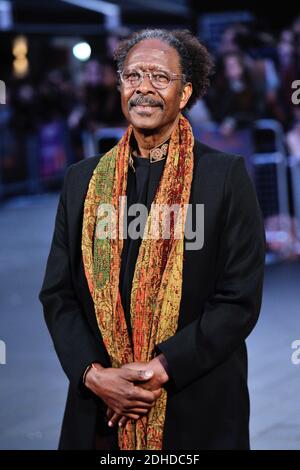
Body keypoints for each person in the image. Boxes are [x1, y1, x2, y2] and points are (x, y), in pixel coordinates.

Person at [39, 28, 265, 450]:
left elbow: (239, 298)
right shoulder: (82, 181)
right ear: (120, 86)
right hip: (101, 410)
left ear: (185, 93)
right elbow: (58, 294)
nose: (144, 88)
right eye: (133, 75)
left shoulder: (224, 177)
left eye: (160, 77)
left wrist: (160, 369)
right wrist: (95, 375)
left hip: (193, 400)